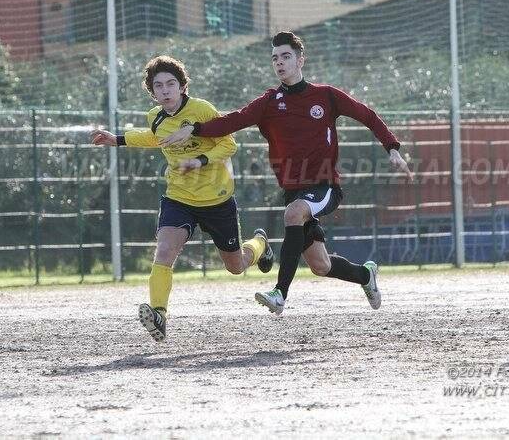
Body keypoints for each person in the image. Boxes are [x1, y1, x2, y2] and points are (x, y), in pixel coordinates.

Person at [160, 31, 413, 315]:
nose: (279, 62)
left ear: (300, 60)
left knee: (293, 213)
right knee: (321, 265)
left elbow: (368, 115)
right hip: (294, 190)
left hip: (324, 185)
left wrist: (392, 147)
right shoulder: (269, 102)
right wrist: (194, 128)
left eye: (286, 56)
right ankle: (366, 276)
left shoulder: (325, 96)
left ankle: (280, 293)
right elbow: (233, 121)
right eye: (275, 58)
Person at [91, 55, 274, 341]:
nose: (165, 90)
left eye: (171, 84)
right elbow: (154, 137)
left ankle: (260, 245)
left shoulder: (202, 110)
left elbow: (228, 144)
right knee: (164, 252)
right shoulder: (155, 117)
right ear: (152, 91)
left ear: (182, 86)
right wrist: (117, 139)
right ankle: (159, 314)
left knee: (236, 266)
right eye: (158, 86)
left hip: (217, 200)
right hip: (178, 198)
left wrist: (200, 160)